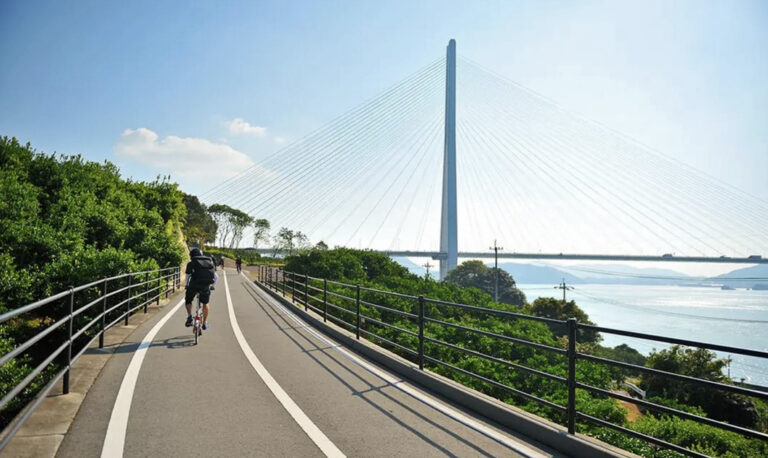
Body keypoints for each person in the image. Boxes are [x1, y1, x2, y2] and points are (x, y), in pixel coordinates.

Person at [184, 248, 217, 330]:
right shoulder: (209, 262)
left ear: (191, 256)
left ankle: (189, 317)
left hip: (193, 286)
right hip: (205, 286)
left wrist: (186, 285)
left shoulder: (191, 263)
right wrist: (212, 285)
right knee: (206, 303)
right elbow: (216, 277)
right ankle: (204, 323)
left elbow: (187, 277)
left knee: (188, 300)